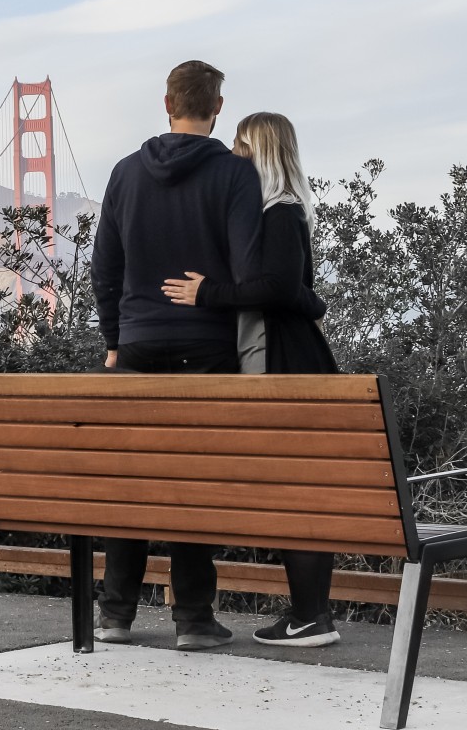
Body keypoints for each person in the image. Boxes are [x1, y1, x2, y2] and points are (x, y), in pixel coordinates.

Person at [89, 59, 263, 651]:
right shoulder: (235, 175)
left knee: (131, 483)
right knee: (192, 482)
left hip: (135, 347)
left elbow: (104, 268)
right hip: (207, 350)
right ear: (217, 109)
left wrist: (115, 340)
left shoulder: (124, 173)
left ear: (166, 105)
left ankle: (115, 615)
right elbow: (248, 269)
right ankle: (193, 618)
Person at [163, 111, 342, 648]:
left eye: (241, 147)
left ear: (259, 151)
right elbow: (299, 293)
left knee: (297, 493)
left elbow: (281, 287)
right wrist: (313, 299)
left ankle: (311, 616)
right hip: (295, 358)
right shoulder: (277, 213)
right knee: (296, 492)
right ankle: (310, 614)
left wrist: (208, 293)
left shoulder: (280, 213)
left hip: (289, 365)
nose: (234, 156)